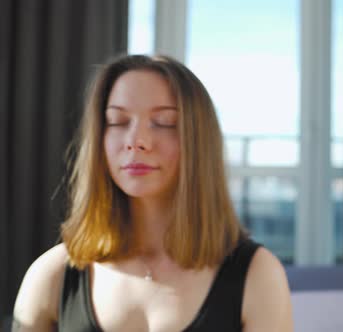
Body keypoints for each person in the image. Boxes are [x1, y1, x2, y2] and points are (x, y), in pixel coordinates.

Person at [12, 54, 293, 331]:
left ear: (199, 142)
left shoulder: (258, 276)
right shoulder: (52, 275)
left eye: (164, 123)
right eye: (118, 122)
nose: (136, 141)